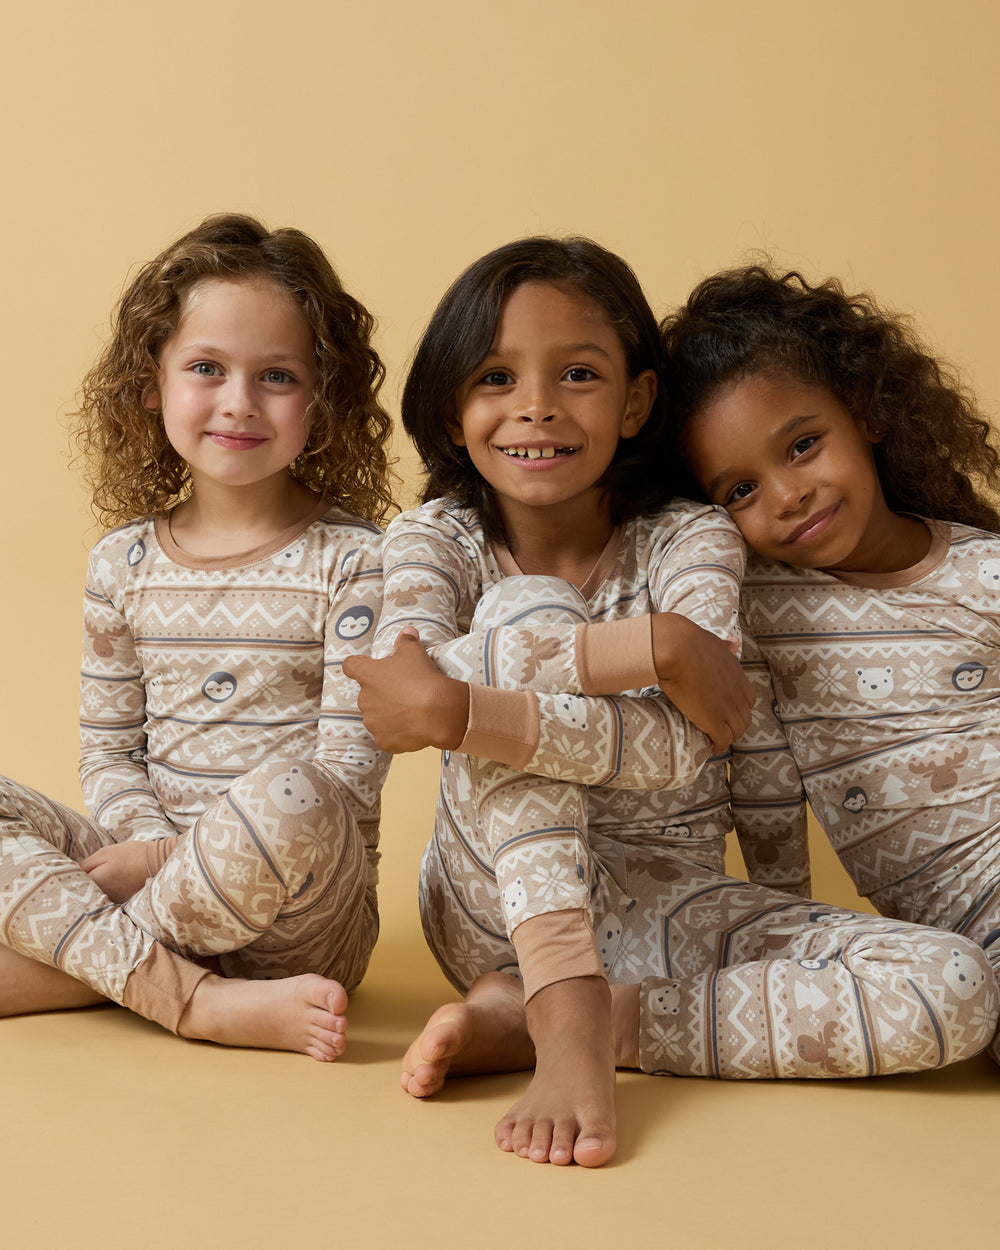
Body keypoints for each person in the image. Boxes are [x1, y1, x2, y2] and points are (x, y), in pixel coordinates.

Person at [343, 238, 998, 1169]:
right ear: (452, 409)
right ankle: (562, 1020)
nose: (536, 406)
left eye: (577, 373)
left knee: (959, 990)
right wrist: (647, 646)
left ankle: (605, 1023)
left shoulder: (693, 542)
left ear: (636, 401)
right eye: (495, 376)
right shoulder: (432, 540)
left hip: (671, 912)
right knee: (526, 605)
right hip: (493, 902)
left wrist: (458, 706)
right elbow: (398, 686)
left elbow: (709, 743)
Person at [0, 213, 394, 1060]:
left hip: (301, 910)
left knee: (292, 791)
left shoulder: (355, 561)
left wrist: (161, 864)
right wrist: (148, 850)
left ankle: (68, 967)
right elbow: (110, 755)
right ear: (151, 383)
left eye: (277, 376)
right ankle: (195, 997)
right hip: (137, 860)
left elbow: (348, 778)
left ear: (323, 397)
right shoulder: (123, 563)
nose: (239, 402)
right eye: (206, 368)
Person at [666, 261, 1000, 1064]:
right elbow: (762, 780)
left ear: (868, 414)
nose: (787, 496)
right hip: (970, 941)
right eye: (741, 490)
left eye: (804, 445)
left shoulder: (985, 575)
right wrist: (796, 936)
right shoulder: (755, 607)